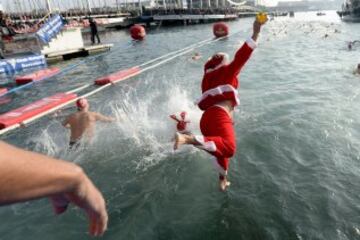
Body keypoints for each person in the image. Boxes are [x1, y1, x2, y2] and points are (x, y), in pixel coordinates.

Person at [174, 18, 266, 191]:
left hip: (207, 120)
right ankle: (187, 137)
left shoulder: (207, 81)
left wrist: (223, 175)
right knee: (230, 147)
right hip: (218, 116)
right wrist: (256, 31)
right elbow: (243, 54)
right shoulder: (227, 71)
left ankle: (222, 179)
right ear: (223, 63)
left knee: (222, 148)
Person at [0, 140, 108, 236]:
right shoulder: (93, 116)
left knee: (75, 148)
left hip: (73, 143)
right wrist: (73, 178)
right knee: (81, 148)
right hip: (78, 146)